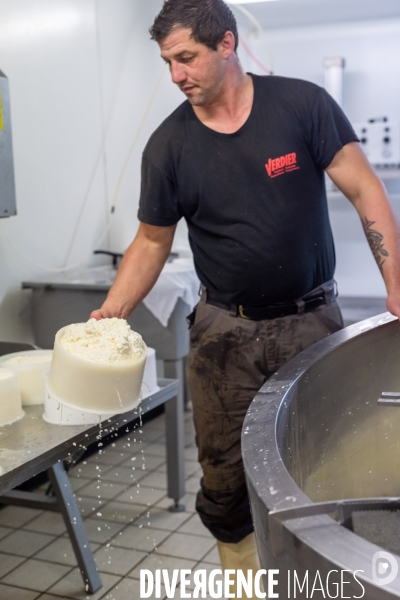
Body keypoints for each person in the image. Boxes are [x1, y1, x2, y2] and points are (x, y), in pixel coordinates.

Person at [91, 0, 400, 595]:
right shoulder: (169, 146)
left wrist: (396, 285)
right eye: (167, 62)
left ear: (226, 45)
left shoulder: (302, 105)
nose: (176, 74)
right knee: (226, 476)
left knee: (321, 458)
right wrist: (111, 315)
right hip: (222, 336)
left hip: (312, 324)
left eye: (186, 58)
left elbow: (366, 190)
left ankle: (321, 581)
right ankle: (242, 584)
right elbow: (152, 242)